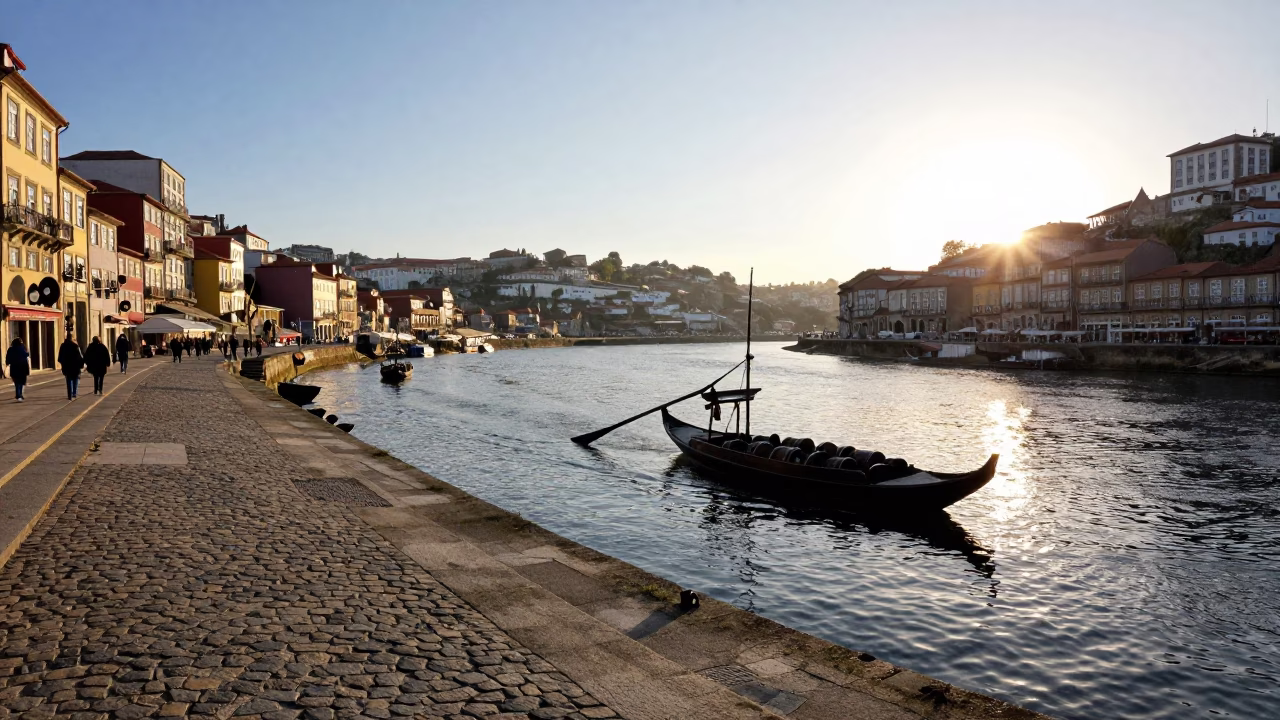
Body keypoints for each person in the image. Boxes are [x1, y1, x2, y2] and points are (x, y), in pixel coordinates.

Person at [58, 335, 84, 400]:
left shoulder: (63, 346)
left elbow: (60, 357)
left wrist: (63, 364)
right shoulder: (75, 346)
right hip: (75, 366)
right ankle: (74, 393)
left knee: (69, 380)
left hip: (67, 366)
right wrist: (81, 365)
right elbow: (80, 357)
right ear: (72, 339)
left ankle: (69, 395)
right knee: (75, 379)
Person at [5, 337, 29, 402]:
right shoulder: (22, 348)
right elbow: (26, 354)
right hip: (22, 367)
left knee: (17, 382)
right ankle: (19, 394)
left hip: (14, 367)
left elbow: (8, 357)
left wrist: (7, 363)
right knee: (21, 382)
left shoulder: (10, 349)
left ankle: (18, 394)